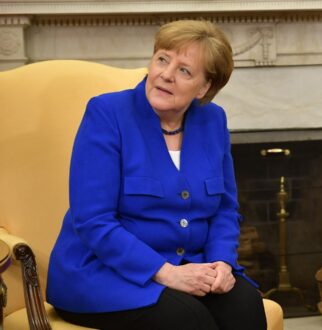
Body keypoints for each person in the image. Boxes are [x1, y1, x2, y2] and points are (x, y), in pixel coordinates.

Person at [46, 20, 267, 330]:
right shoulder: (107, 114)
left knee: (244, 303)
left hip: (191, 265)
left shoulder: (212, 120)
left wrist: (221, 263)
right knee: (188, 319)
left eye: (184, 70)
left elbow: (225, 209)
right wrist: (166, 272)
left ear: (204, 88)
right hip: (103, 275)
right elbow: (93, 221)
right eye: (162, 59)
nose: (166, 74)